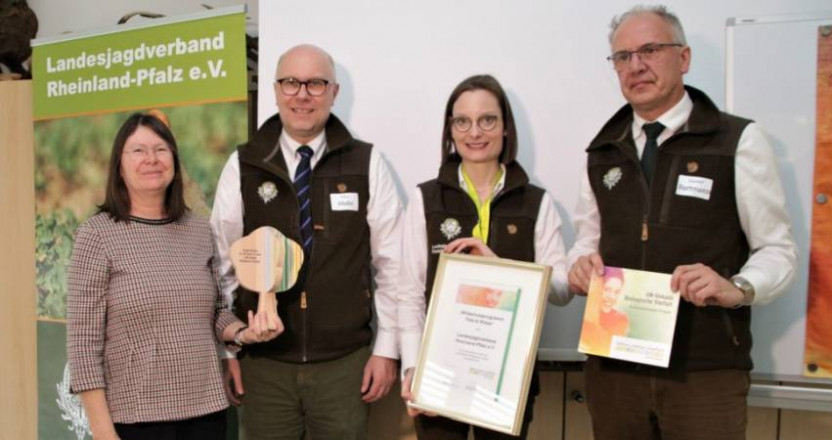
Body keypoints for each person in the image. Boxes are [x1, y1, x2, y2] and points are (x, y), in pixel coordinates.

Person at [566, 6, 797, 439]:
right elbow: (587, 240)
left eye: (651, 50)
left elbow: (778, 250)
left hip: (703, 371)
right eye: (623, 56)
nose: (636, 65)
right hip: (615, 368)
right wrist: (580, 264)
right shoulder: (601, 153)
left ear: (684, 58)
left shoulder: (738, 141)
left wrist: (738, 288)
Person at [210, 44, 404, 439]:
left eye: (315, 83)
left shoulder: (367, 164)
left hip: (344, 366)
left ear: (334, 92)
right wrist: (230, 350)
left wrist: (386, 350)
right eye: (291, 82)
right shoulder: (243, 164)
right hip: (263, 367)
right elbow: (219, 264)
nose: (302, 94)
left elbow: (394, 265)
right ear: (276, 90)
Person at [66, 111, 282, 440]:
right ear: (119, 166)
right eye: (137, 150)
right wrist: (103, 431)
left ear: (174, 160)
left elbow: (216, 314)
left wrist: (244, 333)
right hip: (136, 418)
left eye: (161, 149)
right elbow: (83, 346)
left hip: (206, 412)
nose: (151, 159)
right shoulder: (97, 235)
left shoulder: (198, 229)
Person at [398, 74, 568, 440]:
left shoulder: (536, 202)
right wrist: (413, 368)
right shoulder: (425, 199)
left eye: (487, 120)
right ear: (451, 130)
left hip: (507, 382)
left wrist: (501, 270)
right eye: (463, 121)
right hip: (438, 378)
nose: (475, 132)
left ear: (506, 127)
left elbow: (562, 289)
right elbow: (410, 292)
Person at [579, 267, 629, 357]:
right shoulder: (583, 309)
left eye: (617, 292)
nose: (612, 297)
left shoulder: (621, 319)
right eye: (606, 289)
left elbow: (605, 347)